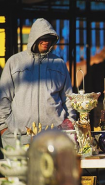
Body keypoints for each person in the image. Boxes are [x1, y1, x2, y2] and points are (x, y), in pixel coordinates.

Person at [0, 18, 76, 148]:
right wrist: (3, 127)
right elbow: (3, 97)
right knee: (22, 168)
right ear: (34, 38)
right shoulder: (15, 62)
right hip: (19, 136)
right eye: (43, 38)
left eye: (49, 38)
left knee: (52, 168)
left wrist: (71, 121)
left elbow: (68, 97)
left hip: (54, 136)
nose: (46, 42)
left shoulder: (59, 64)